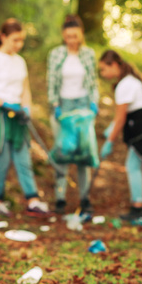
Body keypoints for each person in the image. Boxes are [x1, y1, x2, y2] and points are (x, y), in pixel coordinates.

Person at [0, 18, 50, 218]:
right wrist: (4, 103)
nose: (18, 44)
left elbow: (25, 89)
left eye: (21, 40)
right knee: (3, 157)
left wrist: (26, 108)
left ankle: (32, 200)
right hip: (0, 114)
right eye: (15, 40)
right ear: (3, 37)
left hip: (18, 114)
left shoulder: (20, 61)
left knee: (23, 155)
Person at [99, 49, 142, 226]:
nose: (103, 74)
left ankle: (137, 207)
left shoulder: (125, 85)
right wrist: (111, 128)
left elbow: (121, 117)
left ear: (114, 65)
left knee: (133, 166)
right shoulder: (130, 80)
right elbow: (122, 116)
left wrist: (109, 141)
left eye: (103, 69)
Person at [47, 15, 99, 215]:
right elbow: (51, 81)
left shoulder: (88, 54)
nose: (72, 40)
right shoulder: (56, 54)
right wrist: (54, 104)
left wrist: (94, 102)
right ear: (63, 35)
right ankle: (60, 198)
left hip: (83, 107)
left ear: (81, 35)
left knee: (84, 153)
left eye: (75, 36)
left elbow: (93, 81)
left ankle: (84, 197)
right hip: (63, 107)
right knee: (63, 152)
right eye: (68, 36)